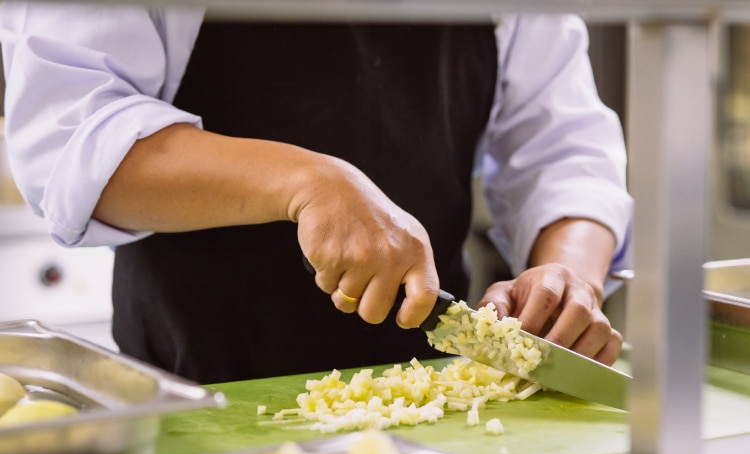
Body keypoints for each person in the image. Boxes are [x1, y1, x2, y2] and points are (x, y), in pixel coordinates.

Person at [0, 6, 633, 384]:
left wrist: (569, 276)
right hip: (197, 392)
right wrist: (306, 182)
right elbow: (71, 136)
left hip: (437, 397)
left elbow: (563, 145)